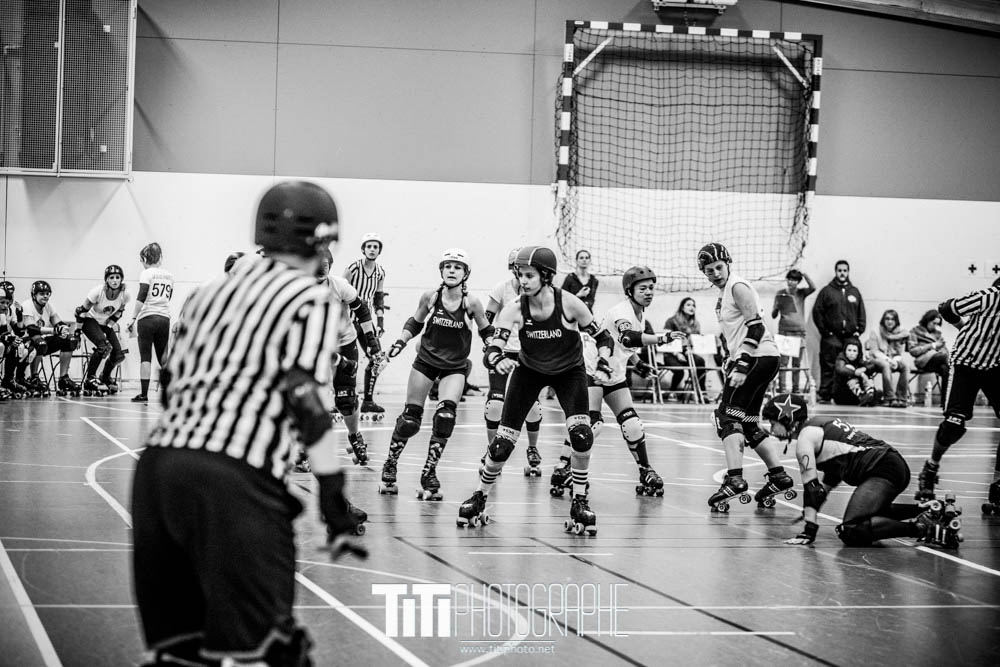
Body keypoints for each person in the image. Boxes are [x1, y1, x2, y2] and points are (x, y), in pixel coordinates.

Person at [132, 180, 366, 667]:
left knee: (181, 652)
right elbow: (305, 397)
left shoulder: (208, 294)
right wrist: (332, 495)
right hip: (235, 478)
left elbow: (171, 383)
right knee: (277, 647)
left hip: (158, 472)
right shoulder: (310, 299)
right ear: (323, 241)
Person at [458, 246, 613, 535]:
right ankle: (480, 495)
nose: (523, 281)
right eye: (520, 275)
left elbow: (604, 338)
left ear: (546, 276)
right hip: (529, 371)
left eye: (529, 275)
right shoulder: (515, 307)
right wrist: (498, 359)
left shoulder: (570, 304)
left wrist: (604, 360)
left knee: (581, 436)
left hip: (569, 372)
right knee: (502, 445)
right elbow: (492, 347)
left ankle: (579, 500)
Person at [764, 394, 962, 549]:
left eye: (773, 424)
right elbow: (827, 483)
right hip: (891, 464)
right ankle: (927, 510)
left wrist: (809, 528)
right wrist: (811, 510)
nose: (772, 431)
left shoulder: (805, 439)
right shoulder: (820, 424)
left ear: (787, 419)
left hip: (882, 469)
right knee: (872, 513)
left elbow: (812, 489)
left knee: (851, 530)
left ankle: (922, 528)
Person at [381, 249, 492, 500]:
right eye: (448, 266)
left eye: (457, 267)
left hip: (455, 366)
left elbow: (486, 329)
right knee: (410, 419)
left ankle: (429, 472)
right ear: (441, 271)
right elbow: (415, 322)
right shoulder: (431, 297)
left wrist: (493, 347)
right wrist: (400, 342)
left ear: (465, 274)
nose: (452, 270)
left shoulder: (471, 302)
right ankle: (390, 464)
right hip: (426, 361)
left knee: (445, 417)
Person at [566, 266, 686, 498]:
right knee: (592, 424)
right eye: (643, 289)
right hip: (593, 369)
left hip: (614, 373)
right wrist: (663, 338)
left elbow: (624, 346)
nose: (649, 292)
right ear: (630, 291)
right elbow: (628, 337)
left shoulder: (638, 313)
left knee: (632, 424)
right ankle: (565, 466)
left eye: (651, 288)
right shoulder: (621, 312)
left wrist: (638, 363)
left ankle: (645, 470)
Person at [697, 242, 795, 512]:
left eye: (719, 267)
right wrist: (733, 358)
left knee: (725, 417)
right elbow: (738, 331)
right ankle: (778, 476)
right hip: (761, 358)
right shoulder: (726, 291)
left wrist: (742, 364)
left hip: (756, 358)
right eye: (709, 270)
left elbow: (756, 327)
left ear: (728, 264)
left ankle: (735, 479)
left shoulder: (737, 287)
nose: (716, 273)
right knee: (748, 423)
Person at [915, 280, 1000, 505]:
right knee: (954, 424)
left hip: (993, 367)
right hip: (965, 364)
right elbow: (946, 308)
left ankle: (998, 483)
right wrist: (964, 327)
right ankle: (930, 468)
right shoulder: (989, 296)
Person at [306, 245, 385, 468]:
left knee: (346, 398)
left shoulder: (339, 285)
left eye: (325, 265)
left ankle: (354, 435)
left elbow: (362, 310)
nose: (321, 269)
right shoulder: (300, 289)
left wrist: (371, 341)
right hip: (314, 345)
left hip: (344, 342)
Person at [483, 247, 544, 475]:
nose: (523, 276)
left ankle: (532, 448)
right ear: (513, 269)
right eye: (519, 270)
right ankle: (492, 449)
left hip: (528, 354)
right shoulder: (502, 288)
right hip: (503, 351)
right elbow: (487, 319)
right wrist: (489, 342)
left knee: (533, 406)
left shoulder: (540, 293)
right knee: (495, 404)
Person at [344, 233, 388, 419]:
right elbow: (340, 290)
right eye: (369, 246)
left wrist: (380, 322)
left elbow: (378, 298)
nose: (372, 249)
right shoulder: (353, 268)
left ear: (379, 251)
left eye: (375, 247)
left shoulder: (380, 272)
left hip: (366, 322)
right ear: (363, 249)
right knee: (344, 361)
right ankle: (341, 399)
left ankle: (368, 401)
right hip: (348, 320)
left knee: (377, 359)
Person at [812, 260, 866, 403]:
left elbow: (861, 312)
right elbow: (817, 312)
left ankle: (849, 395)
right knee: (828, 365)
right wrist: (825, 332)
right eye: (839, 270)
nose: (842, 273)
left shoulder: (854, 292)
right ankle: (825, 394)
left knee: (851, 367)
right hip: (831, 337)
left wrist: (859, 330)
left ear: (848, 272)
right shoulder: (826, 291)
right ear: (835, 272)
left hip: (850, 338)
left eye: (845, 270)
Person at [127, 243, 174, 403]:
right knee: (164, 358)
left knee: (146, 357)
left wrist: (133, 317)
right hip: (164, 318)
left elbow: (142, 296)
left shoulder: (146, 273)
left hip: (147, 318)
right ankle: (170, 392)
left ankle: (144, 394)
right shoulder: (169, 276)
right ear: (160, 258)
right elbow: (168, 297)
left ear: (145, 259)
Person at [74, 265, 131, 395]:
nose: (115, 280)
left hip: (105, 323)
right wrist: (77, 332)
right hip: (89, 320)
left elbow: (118, 313)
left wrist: (109, 327)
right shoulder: (98, 292)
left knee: (118, 354)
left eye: (117, 277)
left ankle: (104, 377)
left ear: (121, 279)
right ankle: (90, 378)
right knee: (103, 347)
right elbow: (81, 311)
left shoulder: (125, 295)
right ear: (106, 280)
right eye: (111, 277)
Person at [21, 280, 81, 396]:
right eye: (42, 294)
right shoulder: (27, 305)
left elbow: (58, 322)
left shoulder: (48, 306)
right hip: (28, 342)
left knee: (69, 340)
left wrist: (65, 330)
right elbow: (31, 329)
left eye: (47, 294)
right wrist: (53, 331)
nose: (45, 296)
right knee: (40, 343)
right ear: (34, 295)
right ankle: (34, 377)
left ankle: (63, 378)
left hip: (43, 340)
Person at [771, 269, 816, 394]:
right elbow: (773, 315)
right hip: (784, 332)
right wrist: (777, 307)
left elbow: (813, 287)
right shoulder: (780, 293)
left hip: (799, 333)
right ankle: (782, 389)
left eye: (795, 280)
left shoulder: (801, 293)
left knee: (797, 365)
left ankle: (796, 390)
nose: (791, 282)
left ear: (798, 282)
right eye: (789, 279)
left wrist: (804, 274)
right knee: (783, 364)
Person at [662, 297, 708, 399]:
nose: (692, 307)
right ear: (682, 308)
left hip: (686, 353)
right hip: (671, 353)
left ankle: (702, 392)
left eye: (693, 305)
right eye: (688, 305)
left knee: (700, 362)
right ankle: (672, 391)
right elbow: (666, 340)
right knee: (679, 370)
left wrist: (690, 349)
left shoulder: (695, 324)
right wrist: (677, 353)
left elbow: (695, 341)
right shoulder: (671, 321)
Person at [866, 309, 910, 407]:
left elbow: (899, 353)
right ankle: (889, 398)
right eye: (887, 319)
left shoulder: (901, 333)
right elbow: (874, 351)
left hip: (894, 359)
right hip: (876, 359)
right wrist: (889, 360)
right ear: (883, 320)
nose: (890, 321)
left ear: (896, 321)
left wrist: (895, 360)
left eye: (892, 319)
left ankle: (901, 398)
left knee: (906, 366)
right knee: (886, 365)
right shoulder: (876, 331)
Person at [909, 309, 950, 404]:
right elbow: (913, 351)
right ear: (927, 320)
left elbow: (945, 351)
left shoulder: (938, 334)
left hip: (938, 360)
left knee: (945, 369)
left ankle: (945, 402)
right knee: (945, 359)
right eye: (933, 323)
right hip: (923, 361)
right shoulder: (915, 331)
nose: (935, 326)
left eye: (937, 324)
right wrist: (932, 345)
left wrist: (941, 347)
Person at [833, 337, 879, 407]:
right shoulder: (841, 358)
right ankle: (861, 395)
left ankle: (870, 394)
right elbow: (840, 369)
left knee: (866, 373)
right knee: (849, 368)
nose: (851, 353)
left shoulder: (859, 360)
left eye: (854, 351)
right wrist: (855, 372)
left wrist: (864, 369)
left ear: (858, 352)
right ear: (845, 351)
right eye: (849, 350)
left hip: (855, 396)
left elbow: (873, 366)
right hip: (842, 394)